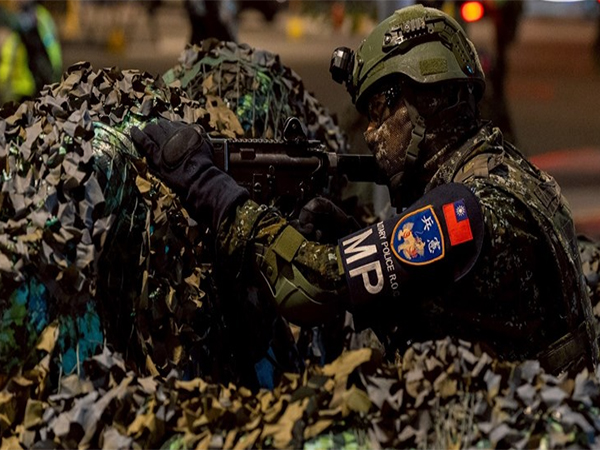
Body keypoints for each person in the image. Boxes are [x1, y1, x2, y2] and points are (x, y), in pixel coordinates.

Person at [131, 4, 598, 375]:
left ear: (427, 96)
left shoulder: (467, 208)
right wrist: (357, 232)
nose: (370, 133)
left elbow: (311, 289)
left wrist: (212, 190)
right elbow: (452, 298)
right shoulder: (506, 172)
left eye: (379, 109)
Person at [0, 0, 62, 104]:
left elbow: (52, 49)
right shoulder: (14, 18)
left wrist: (54, 75)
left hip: (33, 85)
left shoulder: (40, 17)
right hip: (16, 88)